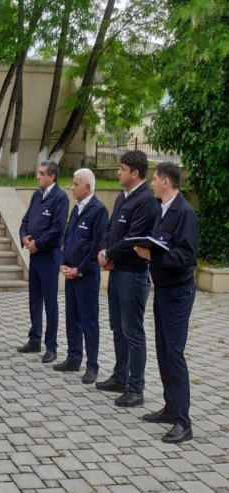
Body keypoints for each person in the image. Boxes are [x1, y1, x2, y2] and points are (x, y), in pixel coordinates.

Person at [134, 162, 197, 444]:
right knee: (163, 351)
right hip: (163, 290)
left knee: (174, 353)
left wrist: (152, 257)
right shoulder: (163, 210)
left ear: (167, 182)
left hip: (178, 292)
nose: (152, 183)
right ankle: (171, 408)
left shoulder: (184, 213)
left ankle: (184, 422)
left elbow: (185, 256)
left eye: (156, 179)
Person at [97, 150, 159, 408]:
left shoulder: (146, 201)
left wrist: (110, 254)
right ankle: (120, 377)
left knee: (133, 332)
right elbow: (111, 229)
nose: (118, 173)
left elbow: (133, 238)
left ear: (135, 173)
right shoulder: (123, 197)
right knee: (117, 327)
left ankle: (136, 388)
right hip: (116, 270)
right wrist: (103, 252)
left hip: (133, 275)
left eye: (122, 169)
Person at [57, 168, 108, 384]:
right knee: (72, 318)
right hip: (71, 273)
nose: (71, 187)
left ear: (87, 187)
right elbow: (68, 239)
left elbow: (96, 246)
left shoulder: (98, 210)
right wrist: (64, 264)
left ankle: (92, 365)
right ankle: (73, 357)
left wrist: (79, 269)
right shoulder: (76, 209)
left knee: (89, 321)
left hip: (86, 275)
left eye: (75, 183)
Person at [17, 161, 68, 363]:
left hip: (49, 256)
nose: (37, 177)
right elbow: (25, 222)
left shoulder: (60, 198)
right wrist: (24, 238)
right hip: (35, 256)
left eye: (41, 174)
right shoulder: (37, 196)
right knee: (34, 299)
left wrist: (38, 243)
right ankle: (34, 339)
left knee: (50, 302)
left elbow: (57, 230)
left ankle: (51, 346)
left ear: (52, 177)